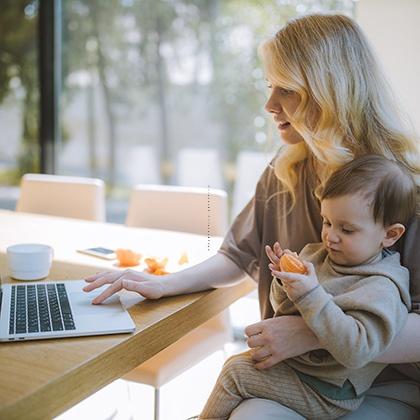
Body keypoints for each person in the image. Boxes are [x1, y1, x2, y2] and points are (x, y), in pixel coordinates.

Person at [83, 14, 420, 418]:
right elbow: (238, 256)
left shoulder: (403, 189)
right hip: (296, 372)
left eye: (287, 90)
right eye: (269, 87)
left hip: (381, 382)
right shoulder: (286, 170)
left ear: (331, 92)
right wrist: (164, 283)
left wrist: (311, 333)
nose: (270, 105)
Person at [198, 155, 414, 419]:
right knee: (238, 367)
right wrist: (285, 281)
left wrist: (311, 294)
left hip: (329, 391)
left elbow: (358, 350)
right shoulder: (319, 255)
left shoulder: (382, 286)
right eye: (327, 222)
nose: (330, 237)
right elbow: (286, 310)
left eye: (347, 230)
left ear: (390, 235)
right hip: (302, 371)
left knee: (235, 375)